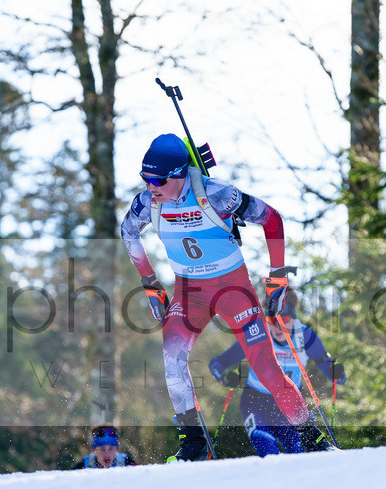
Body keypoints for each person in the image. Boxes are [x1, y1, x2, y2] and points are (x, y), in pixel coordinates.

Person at [121, 133, 333, 461]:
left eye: (158, 179)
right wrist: (150, 282)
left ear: (179, 174)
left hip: (233, 289)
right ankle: (193, 442)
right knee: (172, 355)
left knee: (266, 368)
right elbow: (128, 232)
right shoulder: (147, 203)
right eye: (145, 178)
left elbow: (271, 218)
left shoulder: (217, 194)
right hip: (189, 291)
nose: (151, 186)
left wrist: (277, 276)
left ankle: (310, 437)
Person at [208, 290, 346, 457]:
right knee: (268, 450)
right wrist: (225, 378)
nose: (278, 326)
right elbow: (216, 364)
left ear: (293, 318)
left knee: (298, 453)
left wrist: (338, 373)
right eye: (272, 320)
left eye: (284, 319)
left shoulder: (305, 336)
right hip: (255, 401)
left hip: (290, 403)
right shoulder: (257, 334)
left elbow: (334, 374)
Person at [72, 426, 137, 469]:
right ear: (94, 450)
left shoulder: (126, 462)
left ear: (117, 450)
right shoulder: (84, 464)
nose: (107, 453)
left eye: (111, 449)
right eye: (102, 449)